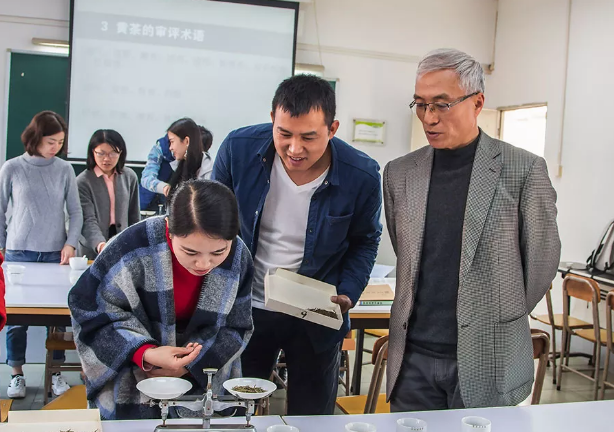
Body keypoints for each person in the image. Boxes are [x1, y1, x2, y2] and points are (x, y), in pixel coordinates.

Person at [383, 48, 561, 411]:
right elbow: (407, 252)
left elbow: (541, 265)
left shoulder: (522, 170)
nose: (429, 117)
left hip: (488, 356)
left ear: (477, 102)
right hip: (413, 359)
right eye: (420, 105)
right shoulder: (400, 173)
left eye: (441, 104)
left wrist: (497, 315)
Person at [212, 74, 382, 415]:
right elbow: (212, 222)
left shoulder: (360, 175)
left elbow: (365, 241)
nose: (294, 149)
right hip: (246, 308)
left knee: (312, 415)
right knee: (233, 411)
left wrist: (349, 291)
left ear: (332, 129)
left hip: (315, 313)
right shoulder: (238, 149)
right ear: (272, 119)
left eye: (308, 137)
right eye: (284, 134)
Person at [68, 179, 253, 420]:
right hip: (136, 378)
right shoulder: (131, 246)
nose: (204, 263)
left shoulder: (238, 255)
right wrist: (144, 352)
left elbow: (237, 326)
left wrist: (191, 364)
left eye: (218, 252)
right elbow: (88, 307)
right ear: (169, 229)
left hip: (207, 376)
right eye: (190, 251)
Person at [0, 110, 83, 399]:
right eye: (51, 142)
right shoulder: (12, 167)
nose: (56, 147)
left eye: (60, 142)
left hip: (54, 254)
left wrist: (70, 243)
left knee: (57, 319)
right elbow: (0, 211)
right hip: (18, 254)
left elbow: (76, 212)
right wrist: (1, 249)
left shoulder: (64, 169)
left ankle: (55, 372)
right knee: (16, 320)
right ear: (35, 138)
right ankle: (17, 374)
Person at [77, 129, 140, 259]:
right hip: (93, 248)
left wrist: (136, 243)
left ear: (121, 153)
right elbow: (88, 220)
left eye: (113, 153)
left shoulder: (129, 176)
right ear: (92, 152)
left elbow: (134, 216)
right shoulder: (83, 181)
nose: (107, 159)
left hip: (122, 244)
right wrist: (101, 245)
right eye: (101, 153)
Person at [140, 124, 213, 211]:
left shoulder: (206, 164)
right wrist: (165, 188)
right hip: (149, 202)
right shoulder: (161, 147)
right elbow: (146, 178)